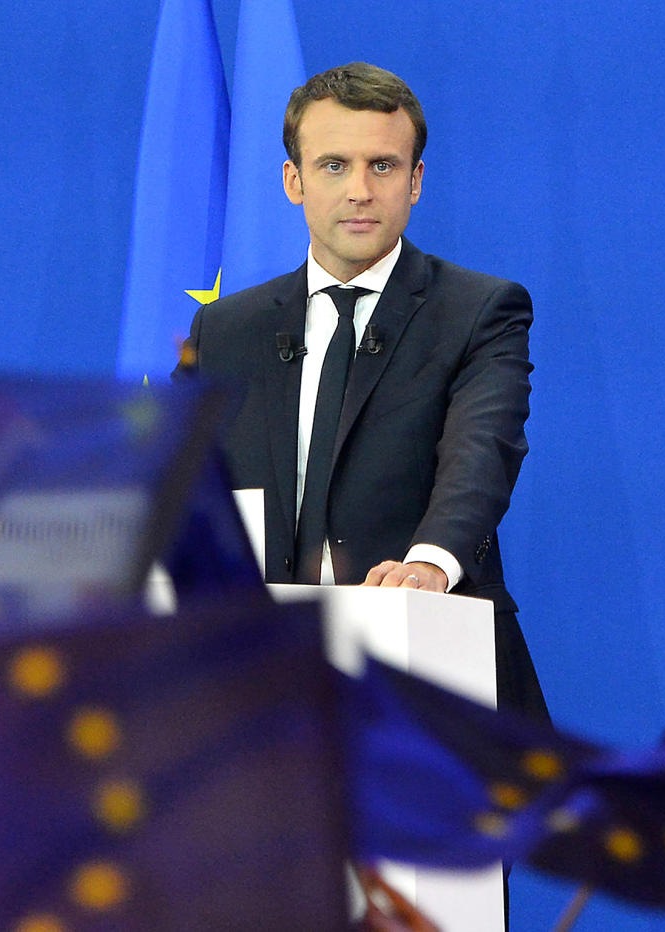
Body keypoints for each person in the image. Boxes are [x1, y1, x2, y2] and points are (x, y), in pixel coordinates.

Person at [174, 62, 545, 719]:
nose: (360, 191)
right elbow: (173, 476)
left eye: (383, 166)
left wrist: (429, 564)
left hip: (431, 670)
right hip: (264, 689)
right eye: (334, 166)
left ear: (415, 181)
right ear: (295, 180)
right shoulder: (226, 329)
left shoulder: (480, 310)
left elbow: (480, 455)